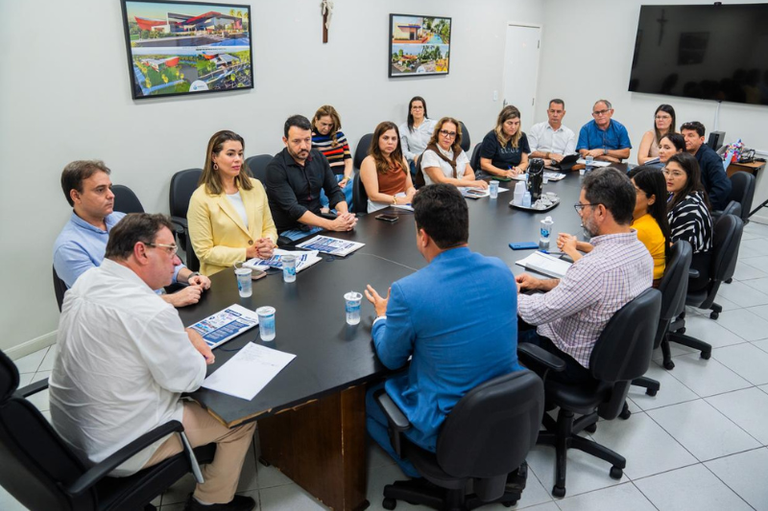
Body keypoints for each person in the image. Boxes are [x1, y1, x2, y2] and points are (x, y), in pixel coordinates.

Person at [49, 213, 256, 511]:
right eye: (170, 250)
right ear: (141, 251)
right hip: (120, 446)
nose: (176, 261)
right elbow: (189, 380)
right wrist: (193, 342)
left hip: (69, 437)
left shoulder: (83, 284)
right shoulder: (151, 311)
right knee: (239, 418)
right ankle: (210, 502)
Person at [364, 183, 522, 478]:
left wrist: (382, 318)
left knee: (370, 400)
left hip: (447, 428)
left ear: (423, 236)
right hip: (503, 411)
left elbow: (391, 359)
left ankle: (419, 470)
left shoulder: (409, 292)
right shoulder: (502, 271)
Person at [516, 167, 653, 383]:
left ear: (600, 211)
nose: (581, 213)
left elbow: (537, 313)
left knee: (502, 324)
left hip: (570, 363)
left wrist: (504, 292)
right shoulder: (641, 252)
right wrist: (541, 284)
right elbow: (586, 290)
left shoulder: (595, 267)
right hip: (606, 358)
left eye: (582, 206)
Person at [53, 160, 210, 307]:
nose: (111, 195)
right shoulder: (69, 247)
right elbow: (106, 299)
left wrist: (190, 277)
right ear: (76, 196)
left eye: (109, 187)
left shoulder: (121, 219)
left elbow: (160, 259)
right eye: (100, 190)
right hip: (122, 320)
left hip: (156, 304)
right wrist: (171, 299)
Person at [558, 166, 670, 286]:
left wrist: (571, 250)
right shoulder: (642, 220)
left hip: (637, 285)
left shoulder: (643, 230)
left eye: (633, 191)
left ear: (651, 199)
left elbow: (597, 273)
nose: (626, 196)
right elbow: (606, 251)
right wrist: (577, 245)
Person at [188, 130, 278, 276]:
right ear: (214, 157)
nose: (238, 159)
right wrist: (247, 252)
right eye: (230, 154)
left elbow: (269, 227)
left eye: (240, 154)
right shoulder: (200, 198)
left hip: (260, 266)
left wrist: (267, 243)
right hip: (223, 274)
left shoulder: (255, 186)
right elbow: (204, 252)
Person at [265, 115, 357, 238]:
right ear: (285, 141)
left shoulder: (318, 157)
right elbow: (293, 209)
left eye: (307, 140)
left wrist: (344, 216)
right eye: (296, 141)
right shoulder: (275, 168)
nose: (303, 146)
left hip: (317, 224)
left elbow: (334, 191)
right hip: (291, 231)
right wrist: (331, 225)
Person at [664, 152, 714, 291]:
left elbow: (678, 252)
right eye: (667, 171)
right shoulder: (678, 195)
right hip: (680, 264)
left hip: (687, 273)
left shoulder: (690, 209)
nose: (669, 177)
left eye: (676, 173)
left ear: (690, 177)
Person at [360, 121, 416, 213]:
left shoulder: (401, 158)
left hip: (402, 204)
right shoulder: (369, 162)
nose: (390, 142)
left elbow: (409, 186)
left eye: (394, 139)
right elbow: (373, 195)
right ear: (377, 140)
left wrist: (410, 195)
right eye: (385, 138)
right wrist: (401, 200)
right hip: (381, 207)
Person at [421, 117, 488, 189]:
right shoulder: (430, 154)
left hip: (461, 192)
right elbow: (441, 181)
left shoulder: (459, 152)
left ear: (456, 137)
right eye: (444, 132)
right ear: (437, 133)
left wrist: (454, 182)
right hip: (437, 195)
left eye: (452, 133)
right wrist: (471, 183)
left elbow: (471, 175)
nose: (448, 137)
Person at [680, 121, 732, 211]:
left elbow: (723, 187)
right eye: (683, 136)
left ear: (702, 139)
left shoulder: (711, 158)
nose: (685, 139)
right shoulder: (683, 154)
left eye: (690, 135)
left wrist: (704, 207)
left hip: (705, 207)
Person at [311, 105, 354, 208]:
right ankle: (333, 215)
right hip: (323, 180)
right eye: (323, 124)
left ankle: (337, 214)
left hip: (341, 177)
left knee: (355, 186)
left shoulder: (339, 136)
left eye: (330, 125)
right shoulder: (309, 138)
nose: (326, 128)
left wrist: (346, 177)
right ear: (316, 119)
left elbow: (348, 160)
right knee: (328, 198)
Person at [478, 105, 530, 179]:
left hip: (514, 176)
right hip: (494, 176)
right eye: (510, 123)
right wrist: (504, 173)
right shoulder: (491, 137)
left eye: (516, 123)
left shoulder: (522, 137)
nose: (513, 127)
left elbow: (525, 162)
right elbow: (484, 164)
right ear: (502, 123)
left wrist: (519, 168)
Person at [528, 99, 577, 166]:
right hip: (539, 165)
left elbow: (568, 157)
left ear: (563, 113)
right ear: (548, 112)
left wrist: (552, 162)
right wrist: (549, 155)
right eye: (552, 111)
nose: (555, 115)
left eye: (558, 112)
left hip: (560, 167)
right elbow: (530, 152)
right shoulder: (536, 128)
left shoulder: (569, 134)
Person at [399, 96, 437, 175]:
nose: (417, 110)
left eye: (420, 107)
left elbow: (439, 145)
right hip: (415, 160)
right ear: (411, 111)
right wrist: (414, 157)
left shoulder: (434, 125)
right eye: (414, 107)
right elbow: (403, 151)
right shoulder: (403, 128)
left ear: (424, 110)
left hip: (433, 158)